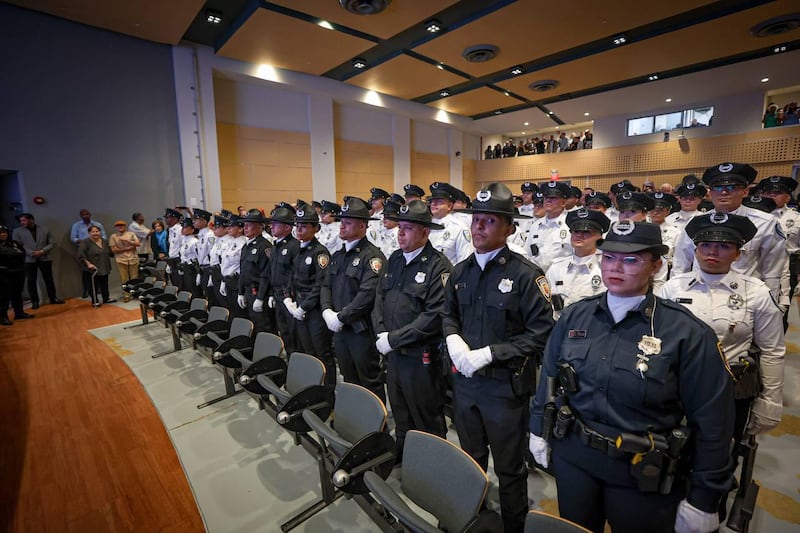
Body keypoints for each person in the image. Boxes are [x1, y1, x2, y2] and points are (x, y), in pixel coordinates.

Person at [529, 220, 735, 533]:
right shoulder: (575, 315)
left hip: (640, 470)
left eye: (631, 260)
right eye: (609, 257)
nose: (616, 267)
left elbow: (713, 420)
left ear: (656, 266)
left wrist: (705, 497)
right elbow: (549, 374)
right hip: (575, 457)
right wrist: (537, 430)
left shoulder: (686, 333)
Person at [443, 182, 554, 532]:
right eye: (476, 220)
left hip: (505, 390)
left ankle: (513, 526)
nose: (479, 227)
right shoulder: (460, 271)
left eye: (490, 221)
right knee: (470, 458)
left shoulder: (525, 275)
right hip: (466, 384)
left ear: (509, 228)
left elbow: (541, 333)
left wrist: (492, 353)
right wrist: (453, 340)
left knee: (509, 468)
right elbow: (448, 314)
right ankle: (469, 517)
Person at [660, 213, 784, 523]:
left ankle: (708, 509)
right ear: (696, 249)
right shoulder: (671, 289)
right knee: (670, 450)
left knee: (718, 456)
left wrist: (771, 400)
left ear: (739, 252)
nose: (713, 252)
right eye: (706, 245)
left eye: (724, 246)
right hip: (676, 388)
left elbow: (771, 349)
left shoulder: (754, 292)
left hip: (729, 391)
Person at [372, 200, 452, 459]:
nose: (400, 233)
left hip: (420, 358)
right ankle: (405, 455)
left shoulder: (438, 266)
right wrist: (381, 333)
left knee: (426, 414)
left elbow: (435, 315)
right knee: (400, 408)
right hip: (393, 353)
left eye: (408, 228)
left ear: (425, 232)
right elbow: (379, 298)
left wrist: (393, 339)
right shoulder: (394, 259)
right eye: (400, 227)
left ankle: (433, 464)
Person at [672, 163, 789, 309]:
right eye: (718, 188)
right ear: (710, 193)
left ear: (745, 191)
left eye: (732, 187)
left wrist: (771, 307)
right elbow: (680, 264)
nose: (724, 192)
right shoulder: (697, 223)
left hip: (743, 299)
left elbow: (772, 271)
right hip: (699, 295)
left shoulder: (765, 222)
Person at [320, 197, 387, 404]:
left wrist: (340, 317)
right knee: (349, 379)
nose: (342, 226)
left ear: (362, 226)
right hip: (340, 330)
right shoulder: (339, 255)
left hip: (361, 332)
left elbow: (367, 295)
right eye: (342, 221)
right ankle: (355, 421)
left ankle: (377, 430)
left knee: (369, 381)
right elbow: (326, 285)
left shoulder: (372, 257)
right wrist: (326, 311)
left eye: (348, 222)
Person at [284, 207, 335, 384]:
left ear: (315, 229)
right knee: (307, 350)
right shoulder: (299, 250)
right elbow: (292, 276)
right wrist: (287, 297)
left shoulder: (320, 253)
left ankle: (328, 392)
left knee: (322, 352)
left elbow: (320, 284)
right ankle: (314, 385)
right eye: (297, 226)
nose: (299, 230)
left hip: (313, 310)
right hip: (299, 305)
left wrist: (304, 306)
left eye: (304, 226)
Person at [546, 208, 610, 320]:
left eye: (586, 232)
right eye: (576, 231)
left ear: (599, 237)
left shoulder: (605, 269)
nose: (579, 235)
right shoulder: (556, 268)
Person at [266, 202, 299, 354]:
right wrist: (273, 294)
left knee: (294, 335)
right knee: (284, 332)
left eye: (275, 224)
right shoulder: (275, 246)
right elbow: (273, 273)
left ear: (287, 227)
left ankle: (298, 366)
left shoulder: (294, 246)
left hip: (290, 297)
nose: (271, 227)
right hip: (278, 296)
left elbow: (293, 274)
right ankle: (291, 361)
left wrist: (288, 296)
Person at [12, 213, 64, 308]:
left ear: (31, 220)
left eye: (24, 220)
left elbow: (52, 243)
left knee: (49, 279)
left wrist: (42, 251)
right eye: (21, 221)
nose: (22, 222)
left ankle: (53, 298)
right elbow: (17, 246)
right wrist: (31, 253)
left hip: (44, 257)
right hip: (29, 259)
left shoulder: (44, 229)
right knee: (31, 281)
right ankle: (35, 301)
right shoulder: (17, 231)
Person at [237, 209, 275, 333]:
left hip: (259, 292)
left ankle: (269, 351)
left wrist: (260, 298)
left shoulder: (264, 246)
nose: (245, 228)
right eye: (245, 225)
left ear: (259, 227)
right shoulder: (246, 246)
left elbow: (266, 274)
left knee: (264, 325)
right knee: (254, 325)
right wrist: (240, 292)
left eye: (249, 225)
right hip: (248, 291)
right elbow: (243, 271)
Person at [525, 180, 572, 271]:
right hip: (537, 275)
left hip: (561, 278)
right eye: (546, 197)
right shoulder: (536, 225)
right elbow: (528, 253)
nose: (548, 200)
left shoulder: (570, 225)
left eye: (553, 197)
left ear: (563, 202)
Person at [0, 225, 34, 325]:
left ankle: (19, 313)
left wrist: (11, 253)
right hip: (3, 273)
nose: (3, 234)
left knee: (17, 294)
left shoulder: (14, 243)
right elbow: (11, 253)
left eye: (4, 232)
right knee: (4, 296)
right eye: (0, 232)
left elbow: (22, 253)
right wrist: (13, 252)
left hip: (18, 271)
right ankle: (3, 317)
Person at [78, 225, 113, 306]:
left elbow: (110, 252)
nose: (95, 233)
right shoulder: (85, 242)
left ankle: (106, 298)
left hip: (104, 265)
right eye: (93, 232)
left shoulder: (104, 241)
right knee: (93, 285)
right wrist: (88, 264)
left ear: (100, 232)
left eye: (97, 231)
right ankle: (95, 301)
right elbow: (82, 255)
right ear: (89, 233)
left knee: (104, 283)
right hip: (92, 268)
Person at [108, 220, 140, 302]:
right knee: (124, 278)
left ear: (125, 226)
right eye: (118, 225)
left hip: (133, 258)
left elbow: (138, 243)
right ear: (116, 227)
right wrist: (129, 248)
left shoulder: (131, 234)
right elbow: (114, 250)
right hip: (121, 260)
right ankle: (126, 295)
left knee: (134, 277)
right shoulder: (113, 236)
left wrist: (128, 242)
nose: (120, 227)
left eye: (122, 225)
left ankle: (135, 293)